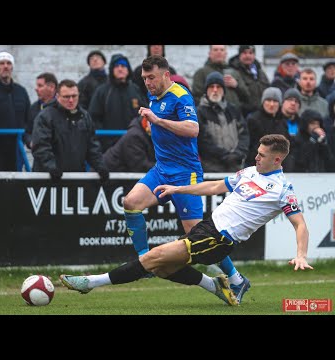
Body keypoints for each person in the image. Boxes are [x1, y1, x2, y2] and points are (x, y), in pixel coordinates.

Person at [60, 134, 313, 306]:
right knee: (162, 268)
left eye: (261, 155)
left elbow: (299, 224)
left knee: (152, 257)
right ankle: (215, 286)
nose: (256, 157)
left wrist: (301, 254)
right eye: (257, 153)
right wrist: (176, 189)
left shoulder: (282, 189)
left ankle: (91, 282)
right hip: (207, 227)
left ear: (277, 159)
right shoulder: (248, 172)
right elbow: (214, 186)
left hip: (219, 240)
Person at [118, 55, 250, 304]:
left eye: (152, 77)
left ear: (165, 75)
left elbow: (193, 129)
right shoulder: (154, 96)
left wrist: (157, 120)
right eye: (145, 78)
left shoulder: (181, 95)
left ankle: (235, 278)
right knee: (130, 202)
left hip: (185, 174)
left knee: (197, 234)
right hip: (161, 169)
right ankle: (145, 261)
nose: (148, 82)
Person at [31, 79, 109, 183]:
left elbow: (92, 146)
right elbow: (40, 146)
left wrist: (100, 166)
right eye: (66, 97)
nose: (71, 100)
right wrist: (51, 167)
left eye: (74, 96)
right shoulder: (45, 117)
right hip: (48, 178)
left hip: (76, 177)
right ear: (57, 96)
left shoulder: (84, 116)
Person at [0, 51, 31, 171]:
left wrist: (28, 140)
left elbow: (28, 119)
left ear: (12, 67)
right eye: (1, 63)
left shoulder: (21, 91)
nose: (5, 66)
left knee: (17, 185)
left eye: (9, 63)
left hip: (17, 148)